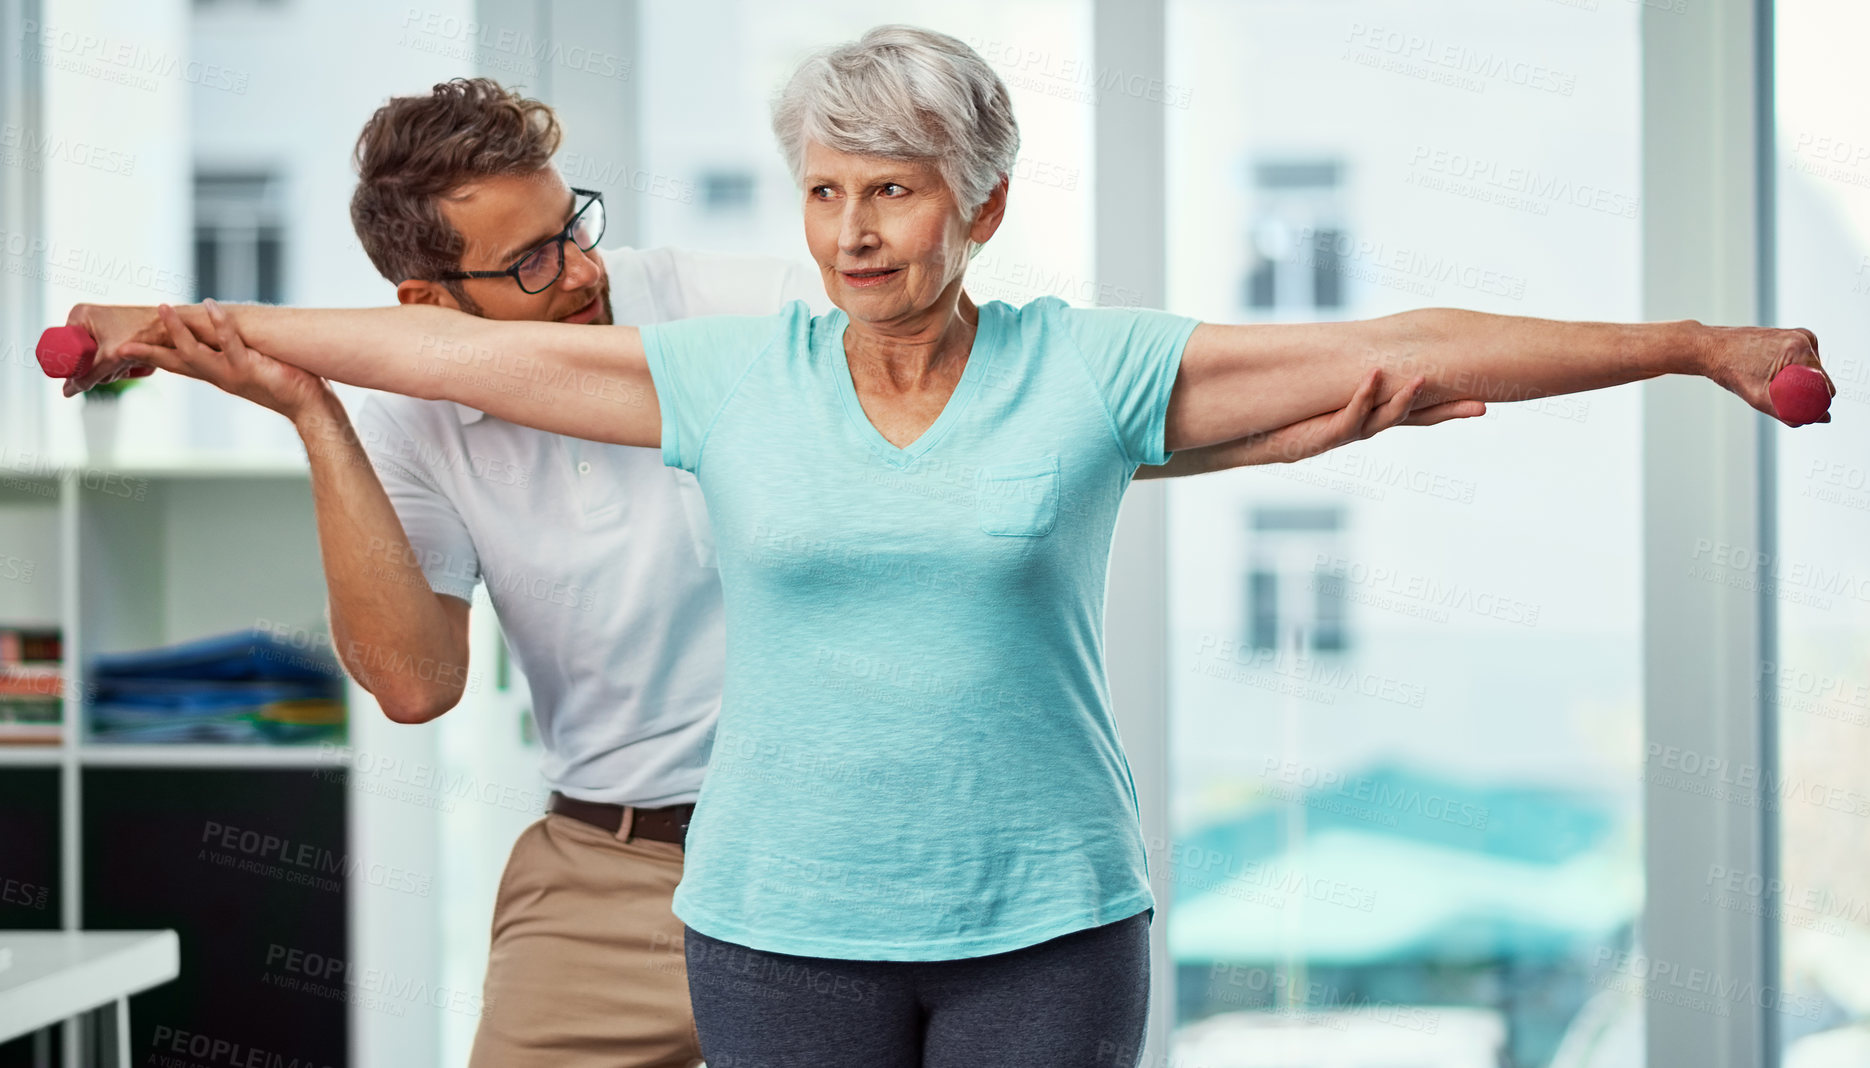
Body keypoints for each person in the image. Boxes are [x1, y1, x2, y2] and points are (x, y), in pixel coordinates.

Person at [59, 25, 1829, 1066]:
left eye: (889, 190)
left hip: (984, 894)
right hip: (692, 888)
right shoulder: (686, 375)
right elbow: (438, 425)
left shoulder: (894, 342)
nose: (848, 229)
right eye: (824, 192)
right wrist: (218, 343)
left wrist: (1684, 345)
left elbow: (1311, 361)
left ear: (972, 205)